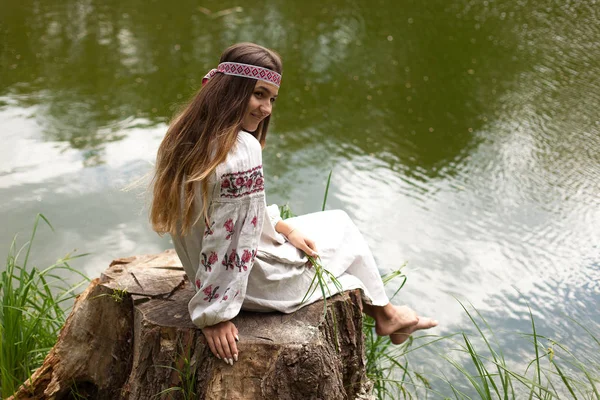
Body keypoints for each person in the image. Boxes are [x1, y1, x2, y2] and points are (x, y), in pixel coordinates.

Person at [150, 42, 437, 366]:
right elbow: (229, 241)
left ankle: (387, 315)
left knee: (336, 223)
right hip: (249, 284)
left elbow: (226, 219)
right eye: (259, 94)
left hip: (205, 272)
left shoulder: (184, 131)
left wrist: (284, 228)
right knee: (341, 239)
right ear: (230, 88)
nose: (267, 108)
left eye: (272, 98)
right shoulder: (241, 150)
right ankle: (388, 315)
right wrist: (214, 315)